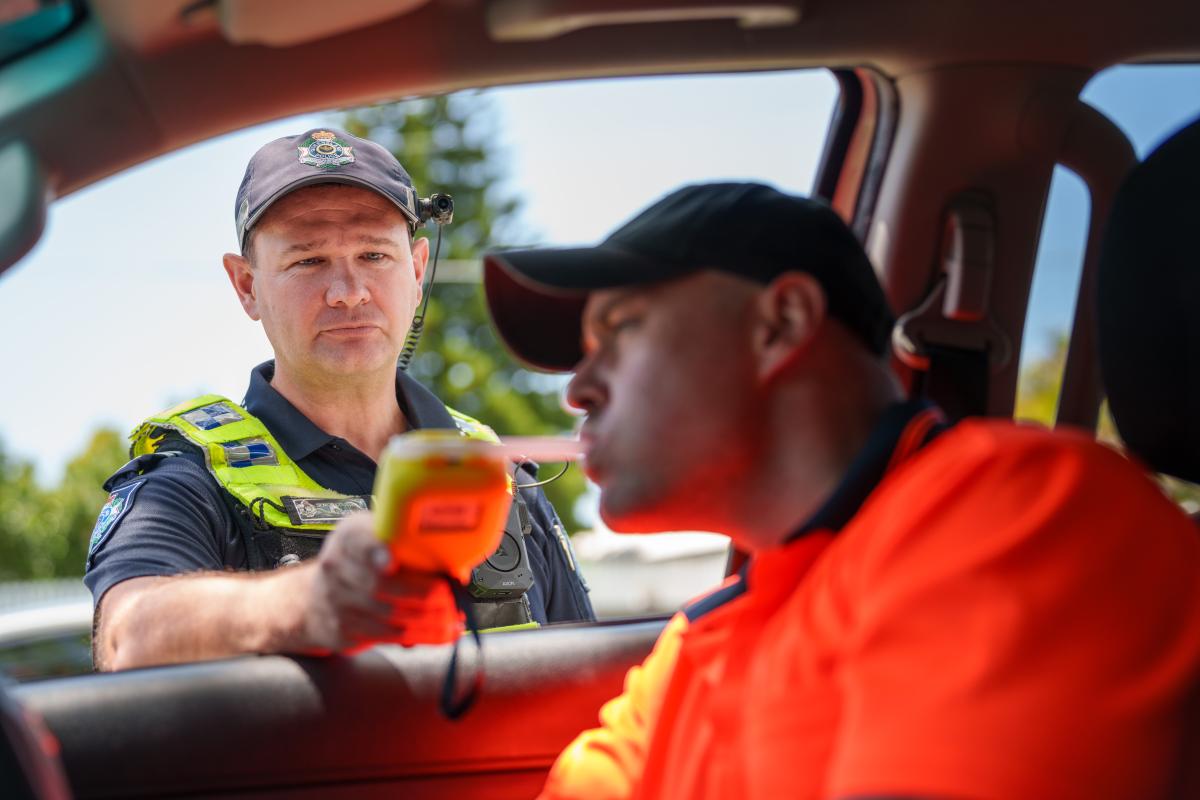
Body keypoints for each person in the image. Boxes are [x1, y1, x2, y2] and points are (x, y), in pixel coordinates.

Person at [481, 182, 1200, 799]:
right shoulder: (699, 644)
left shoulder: (1026, 511)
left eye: (620, 330)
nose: (577, 388)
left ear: (781, 323)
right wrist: (403, 617)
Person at [85, 128, 594, 672]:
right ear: (247, 287)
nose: (348, 290)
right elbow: (127, 636)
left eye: (374, 254)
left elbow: (590, 683)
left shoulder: (500, 477)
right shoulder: (189, 479)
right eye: (309, 261)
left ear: (418, 271)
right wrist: (304, 603)